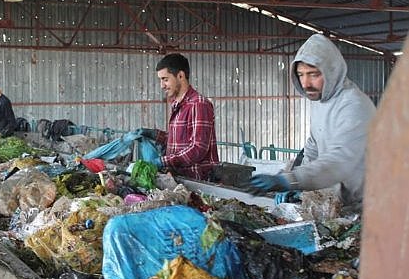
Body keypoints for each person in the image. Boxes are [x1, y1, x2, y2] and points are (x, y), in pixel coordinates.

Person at [249, 34, 376, 212]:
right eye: (301, 75)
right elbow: (312, 149)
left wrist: (291, 179)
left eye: (313, 74)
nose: (306, 83)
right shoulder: (321, 101)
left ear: (331, 71)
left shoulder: (354, 105)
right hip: (342, 203)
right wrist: (300, 187)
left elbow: (339, 161)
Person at [138, 53, 219, 180]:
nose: (162, 85)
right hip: (180, 179)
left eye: (165, 79)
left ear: (180, 76)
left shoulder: (198, 104)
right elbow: (179, 141)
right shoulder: (177, 104)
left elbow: (197, 149)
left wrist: (162, 161)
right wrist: (154, 135)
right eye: (161, 80)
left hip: (197, 181)